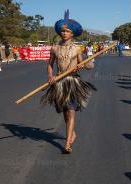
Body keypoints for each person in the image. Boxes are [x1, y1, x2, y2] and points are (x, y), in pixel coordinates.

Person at [40, 10, 95, 154]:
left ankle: (67, 143)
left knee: (71, 112)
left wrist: (85, 63)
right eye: (63, 31)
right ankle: (72, 134)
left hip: (72, 83)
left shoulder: (77, 49)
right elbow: (50, 65)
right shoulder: (55, 48)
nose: (64, 33)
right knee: (65, 113)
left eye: (68, 31)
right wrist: (50, 76)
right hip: (59, 84)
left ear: (72, 34)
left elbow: (88, 66)